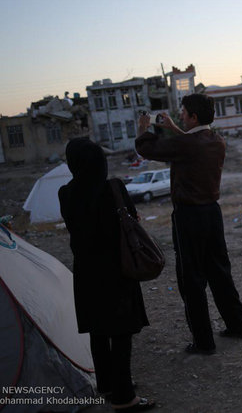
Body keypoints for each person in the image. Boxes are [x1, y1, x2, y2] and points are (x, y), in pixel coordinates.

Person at [135, 94, 242, 355]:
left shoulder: (186, 145)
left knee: (192, 280)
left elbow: (148, 149)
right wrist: (174, 127)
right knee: (220, 273)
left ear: (194, 117)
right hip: (212, 214)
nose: (182, 116)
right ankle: (237, 325)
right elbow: (189, 141)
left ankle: (203, 342)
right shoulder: (217, 141)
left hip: (189, 217)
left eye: (184, 113)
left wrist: (143, 128)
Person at [58, 138, 155, 412]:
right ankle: (125, 399)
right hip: (117, 270)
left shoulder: (65, 193)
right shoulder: (113, 188)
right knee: (121, 332)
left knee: (99, 330)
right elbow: (132, 220)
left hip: (87, 273)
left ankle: (108, 385)